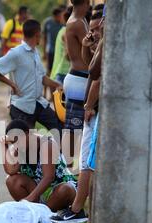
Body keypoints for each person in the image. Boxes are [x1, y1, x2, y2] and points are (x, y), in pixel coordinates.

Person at [53, 9, 106, 223]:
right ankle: (80, 211)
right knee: (86, 162)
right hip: (92, 110)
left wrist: (87, 105)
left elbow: (94, 75)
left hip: (95, 111)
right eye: (90, 29)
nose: (92, 33)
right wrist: (87, 46)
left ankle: (77, 210)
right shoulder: (100, 43)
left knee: (87, 163)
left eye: (96, 29)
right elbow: (89, 67)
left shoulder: (108, 43)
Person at [0, 20, 62, 131]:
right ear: (37, 34)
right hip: (21, 106)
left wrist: (59, 85)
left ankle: (55, 148)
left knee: (59, 128)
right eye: (40, 34)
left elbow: (42, 78)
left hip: (38, 103)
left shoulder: (36, 52)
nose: (41, 37)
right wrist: (12, 84)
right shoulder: (16, 53)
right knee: (24, 144)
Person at [2, 120, 82, 215]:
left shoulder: (46, 144)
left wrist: (31, 198)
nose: (15, 145)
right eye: (12, 142)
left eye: (17, 140)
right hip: (38, 190)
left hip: (57, 190)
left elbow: (49, 177)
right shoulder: (19, 147)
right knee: (11, 181)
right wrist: (4, 146)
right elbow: (11, 171)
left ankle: (41, 214)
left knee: (65, 189)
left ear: (27, 134)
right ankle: (32, 212)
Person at [63, 0, 91, 167]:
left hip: (79, 77)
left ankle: (70, 168)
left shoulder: (79, 20)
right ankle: (66, 170)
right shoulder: (77, 23)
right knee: (74, 131)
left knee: (77, 131)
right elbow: (90, 47)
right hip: (79, 79)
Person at [50, 6, 73, 84]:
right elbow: (68, 55)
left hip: (59, 71)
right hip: (65, 71)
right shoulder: (66, 32)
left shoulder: (62, 30)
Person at [43, 7, 65, 75]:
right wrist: (44, 52)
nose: (60, 18)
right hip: (50, 50)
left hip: (60, 50)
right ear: (54, 16)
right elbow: (44, 37)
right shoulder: (47, 22)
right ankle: (47, 85)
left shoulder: (63, 23)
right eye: (58, 16)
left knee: (57, 69)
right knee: (49, 69)